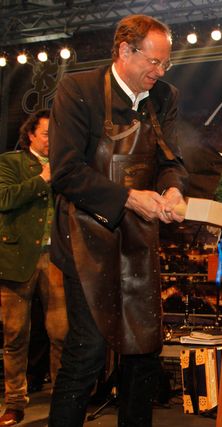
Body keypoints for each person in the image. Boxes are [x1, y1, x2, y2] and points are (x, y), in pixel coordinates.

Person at [48, 14, 188, 426]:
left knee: (143, 350)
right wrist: (127, 197)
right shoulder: (78, 90)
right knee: (88, 350)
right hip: (85, 236)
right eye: (154, 62)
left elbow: (171, 161)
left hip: (138, 238)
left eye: (166, 64)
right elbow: (66, 172)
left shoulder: (165, 96)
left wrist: (173, 189)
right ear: (125, 51)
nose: (160, 72)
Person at [0, 109, 68, 426]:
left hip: (55, 258)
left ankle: (63, 402)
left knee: (61, 333)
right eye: (45, 134)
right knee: (15, 335)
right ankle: (15, 402)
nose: (51, 140)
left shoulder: (66, 165)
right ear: (30, 134)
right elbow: (4, 198)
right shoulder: (10, 163)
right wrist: (42, 179)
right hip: (16, 259)